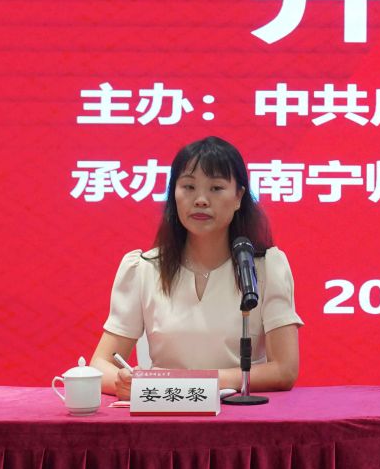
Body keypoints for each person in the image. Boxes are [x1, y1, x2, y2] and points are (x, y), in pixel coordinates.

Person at [92, 136, 301, 399]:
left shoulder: (265, 266)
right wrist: (125, 383)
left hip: (239, 412)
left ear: (238, 197)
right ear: (174, 194)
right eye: (188, 187)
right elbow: (100, 364)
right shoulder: (144, 268)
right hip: (166, 411)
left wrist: (191, 383)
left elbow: (284, 370)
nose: (201, 199)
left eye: (216, 188)